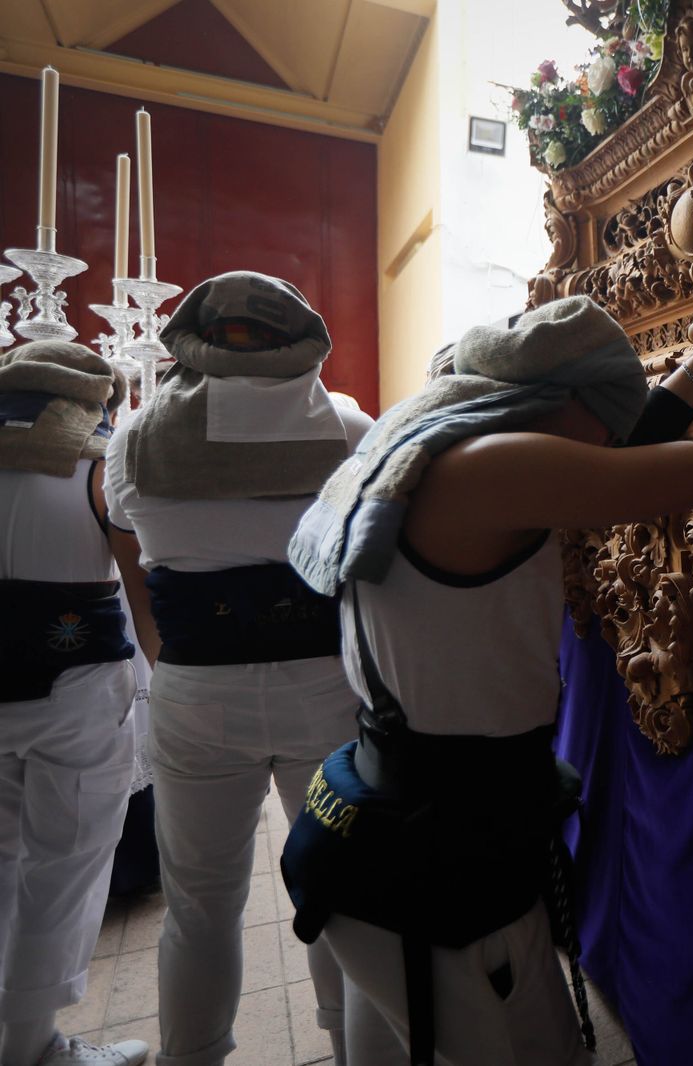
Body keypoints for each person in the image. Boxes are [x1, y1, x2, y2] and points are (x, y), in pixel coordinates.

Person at [280, 289, 693, 1065]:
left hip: (389, 832)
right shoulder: (492, 467)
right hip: (438, 865)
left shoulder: (431, 440)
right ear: (560, 404)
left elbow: (624, 455)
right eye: (604, 415)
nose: (612, 437)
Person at [101, 272, 372, 1066]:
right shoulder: (352, 430)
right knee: (339, 896)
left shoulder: (133, 441)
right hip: (325, 686)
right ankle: (355, 1051)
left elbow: (128, 544)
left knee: (198, 907)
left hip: (194, 687)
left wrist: (164, 659)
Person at [0, 341, 149, 1066]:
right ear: (95, 398)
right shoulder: (98, 460)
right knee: (64, 868)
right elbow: (138, 574)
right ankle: (33, 1046)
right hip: (75, 685)